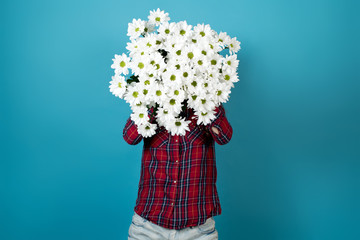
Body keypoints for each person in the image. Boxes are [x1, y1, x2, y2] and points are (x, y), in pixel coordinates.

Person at [124, 101, 233, 240]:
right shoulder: (150, 99)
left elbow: (224, 137)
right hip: (148, 226)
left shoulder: (207, 103)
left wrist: (205, 98)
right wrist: (154, 100)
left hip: (198, 229)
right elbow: (130, 137)